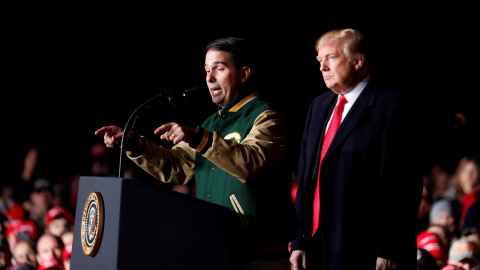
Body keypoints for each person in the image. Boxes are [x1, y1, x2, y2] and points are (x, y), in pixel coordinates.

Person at [95, 36, 297, 268]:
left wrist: (197, 138)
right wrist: (133, 143)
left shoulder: (266, 117)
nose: (209, 78)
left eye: (219, 69)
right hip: (216, 248)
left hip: (259, 252)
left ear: (244, 74)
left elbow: (251, 162)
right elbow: (176, 167)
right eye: (206, 70)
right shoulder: (210, 124)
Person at [289, 28, 423, 269]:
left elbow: (402, 183)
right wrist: (299, 238)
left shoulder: (391, 105)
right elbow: (307, 177)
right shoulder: (318, 106)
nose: (322, 68)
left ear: (358, 61)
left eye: (330, 57)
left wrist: (389, 246)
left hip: (367, 247)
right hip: (318, 243)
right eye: (319, 60)